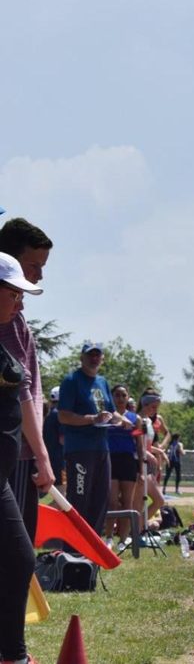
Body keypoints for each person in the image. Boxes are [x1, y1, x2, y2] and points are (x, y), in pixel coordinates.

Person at [0, 220, 56, 544]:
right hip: (16, 452)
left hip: (20, 448)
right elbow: (20, 389)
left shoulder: (13, 312)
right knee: (15, 556)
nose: (39, 274)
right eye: (34, 265)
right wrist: (42, 455)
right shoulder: (6, 318)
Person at [0, 252, 43, 664]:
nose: (21, 302)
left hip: (4, 478)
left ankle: (12, 655)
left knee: (19, 558)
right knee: (17, 557)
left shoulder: (11, 335)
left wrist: (42, 458)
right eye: (14, 293)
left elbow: (26, 397)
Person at [57, 342, 120, 534]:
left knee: (102, 498)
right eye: (90, 355)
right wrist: (92, 419)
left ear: (102, 358)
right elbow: (63, 415)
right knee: (80, 498)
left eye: (97, 355)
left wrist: (122, 420)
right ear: (82, 357)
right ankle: (73, 550)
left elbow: (111, 412)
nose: (94, 358)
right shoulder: (71, 381)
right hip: (80, 449)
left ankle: (93, 551)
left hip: (102, 448)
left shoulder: (102, 382)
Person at [104, 385, 141, 541]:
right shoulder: (107, 416)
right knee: (112, 502)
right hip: (111, 459)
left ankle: (123, 538)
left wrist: (141, 467)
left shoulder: (135, 418)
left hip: (128, 461)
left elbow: (138, 442)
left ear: (128, 397)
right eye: (117, 395)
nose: (120, 398)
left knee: (127, 502)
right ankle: (109, 537)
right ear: (112, 397)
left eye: (123, 395)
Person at [133, 392, 166, 522]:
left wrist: (159, 451)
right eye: (153, 407)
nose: (155, 410)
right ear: (144, 404)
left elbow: (147, 445)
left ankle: (138, 528)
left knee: (159, 501)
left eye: (157, 407)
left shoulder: (148, 422)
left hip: (149, 467)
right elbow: (137, 443)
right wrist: (148, 454)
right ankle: (134, 532)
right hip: (139, 465)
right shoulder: (138, 420)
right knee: (138, 504)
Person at [43, 387, 63, 493]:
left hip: (48, 456)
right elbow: (62, 439)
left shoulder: (47, 413)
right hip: (60, 458)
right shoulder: (60, 415)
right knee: (62, 491)